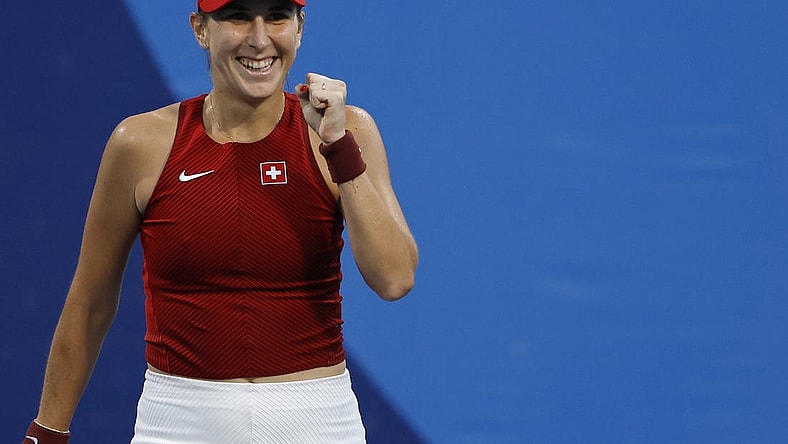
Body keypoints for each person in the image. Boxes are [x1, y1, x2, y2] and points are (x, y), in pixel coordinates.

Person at [22, 0, 418, 442]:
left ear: (300, 28)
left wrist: (338, 149)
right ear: (200, 29)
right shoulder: (139, 144)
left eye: (277, 16)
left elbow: (394, 279)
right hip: (176, 423)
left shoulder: (347, 131)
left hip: (317, 418)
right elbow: (90, 301)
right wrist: (47, 431)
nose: (259, 37)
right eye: (236, 16)